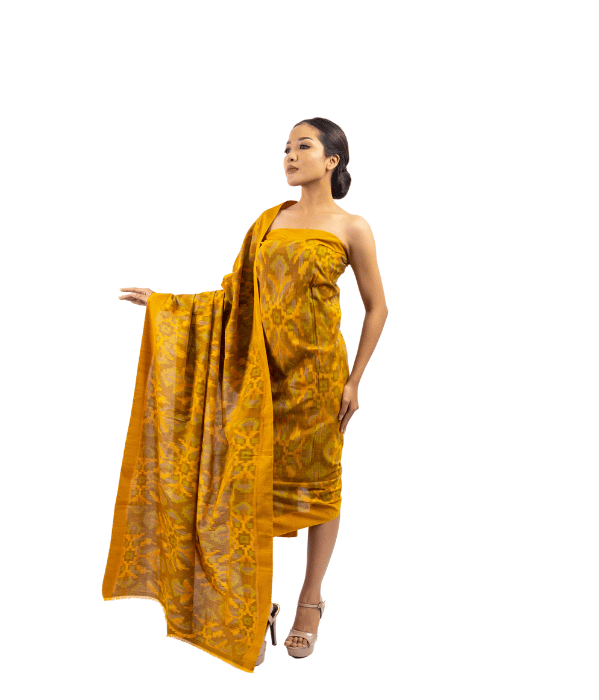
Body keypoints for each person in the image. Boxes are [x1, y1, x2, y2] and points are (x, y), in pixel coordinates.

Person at [106, 117, 388, 670]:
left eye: (303, 146)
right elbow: (234, 297)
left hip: (317, 381)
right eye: (286, 148)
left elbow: (378, 307)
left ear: (331, 160)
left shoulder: (352, 227)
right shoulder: (269, 222)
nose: (290, 156)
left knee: (318, 488)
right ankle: (253, 606)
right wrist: (166, 304)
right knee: (247, 489)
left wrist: (354, 380)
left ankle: (310, 600)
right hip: (259, 379)